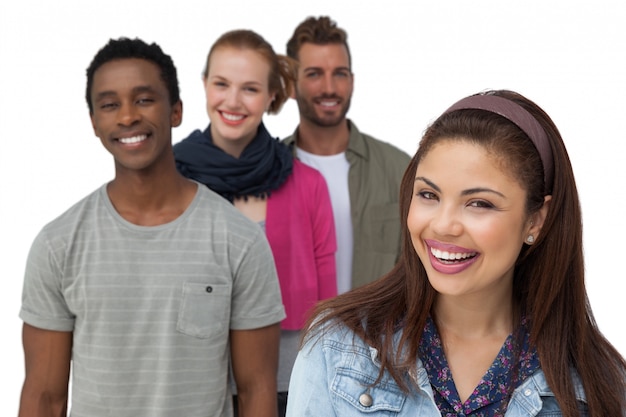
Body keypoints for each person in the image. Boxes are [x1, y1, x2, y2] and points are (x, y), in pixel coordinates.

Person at [286, 90, 626, 416]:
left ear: (535, 220)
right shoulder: (336, 348)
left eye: (479, 203)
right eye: (429, 195)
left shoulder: (599, 385)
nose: (444, 225)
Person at [18, 37, 285, 417]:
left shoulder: (238, 241)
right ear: (94, 122)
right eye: (110, 105)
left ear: (176, 111)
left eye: (144, 99)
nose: (127, 117)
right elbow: (45, 398)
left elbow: (256, 390)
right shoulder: (58, 244)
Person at [173, 29, 337, 417]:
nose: (232, 101)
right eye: (221, 84)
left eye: (249, 89)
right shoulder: (169, 179)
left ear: (270, 97)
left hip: (286, 372)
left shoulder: (308, 183)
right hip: (193, 370)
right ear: (204, 86)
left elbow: (328, 293)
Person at [283, 16, 412, 294]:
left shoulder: (400, 169)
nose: (329, 88)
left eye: (339, 73)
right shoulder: (266, 170)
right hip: (289, 336)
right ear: (291, 85)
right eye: (314, 74)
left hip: (376, 336)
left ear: (352, 81)